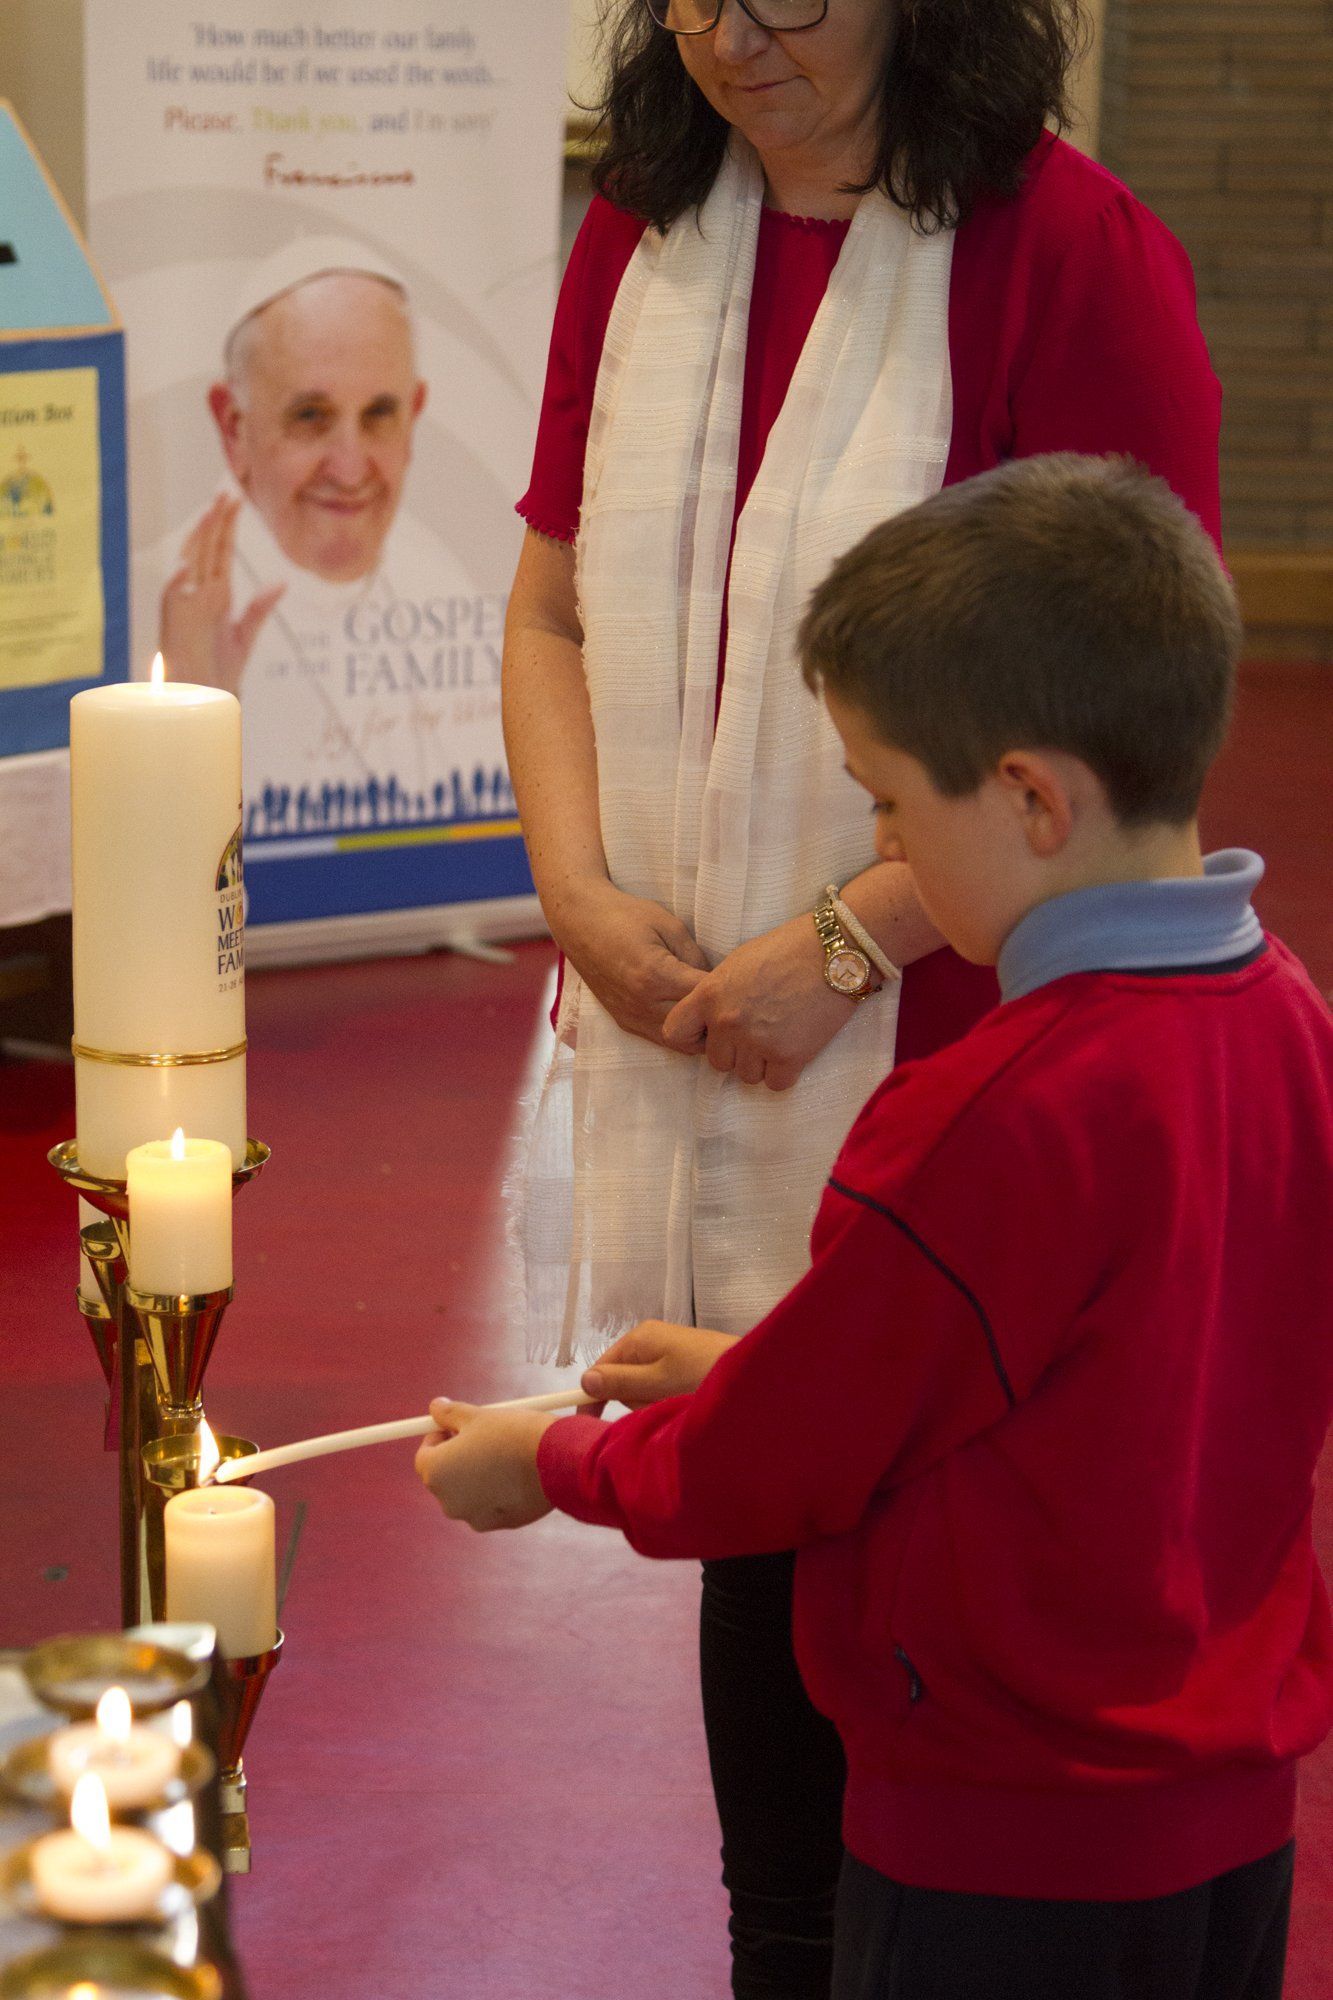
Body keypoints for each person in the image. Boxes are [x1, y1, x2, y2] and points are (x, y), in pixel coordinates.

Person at [505, 1, 1222, 1990]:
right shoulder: (645, 227)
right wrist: (573, 886)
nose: (740, 37)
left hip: (959, 1061)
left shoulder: (1064, 251)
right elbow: (553, 596)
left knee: (918, 1610)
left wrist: (844, 945)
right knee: (769, 1647)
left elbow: (1124, 724)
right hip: (692, 1041)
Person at [424, 454, 1333, 2000]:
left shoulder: (984, 1115)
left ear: (1033, 798)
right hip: (1227, 1828)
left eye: (893, 812)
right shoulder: (1287, 1020)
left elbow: (773, 1470)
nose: (889, 858)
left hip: (996, 1850)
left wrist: (549, 1463)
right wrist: (755, 1360)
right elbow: (1098, 1375)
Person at [153, 245, 476, 827]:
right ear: (234, 427)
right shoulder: (161, 610)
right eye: (310, 416)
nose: (350, 470)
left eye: (380, 414)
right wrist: (191, 699)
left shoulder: (452, 586)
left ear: (414, 416)